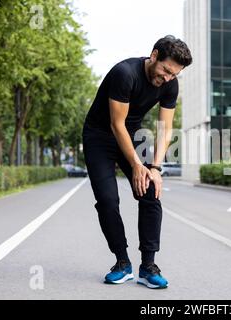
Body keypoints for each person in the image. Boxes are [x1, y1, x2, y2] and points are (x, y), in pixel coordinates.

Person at [82, 36, 192, 289]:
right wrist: (135, 164)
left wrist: (154, 168)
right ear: (154, 55)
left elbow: (165, 128)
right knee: (108, 200)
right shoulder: (125, 73)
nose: (166, 79)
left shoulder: (170, 84)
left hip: (133, 135)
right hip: (99, 136)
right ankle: (122, 263)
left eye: (173, 75)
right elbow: (115, 124)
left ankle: (148, 266)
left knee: (151, 191)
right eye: (165, 71)